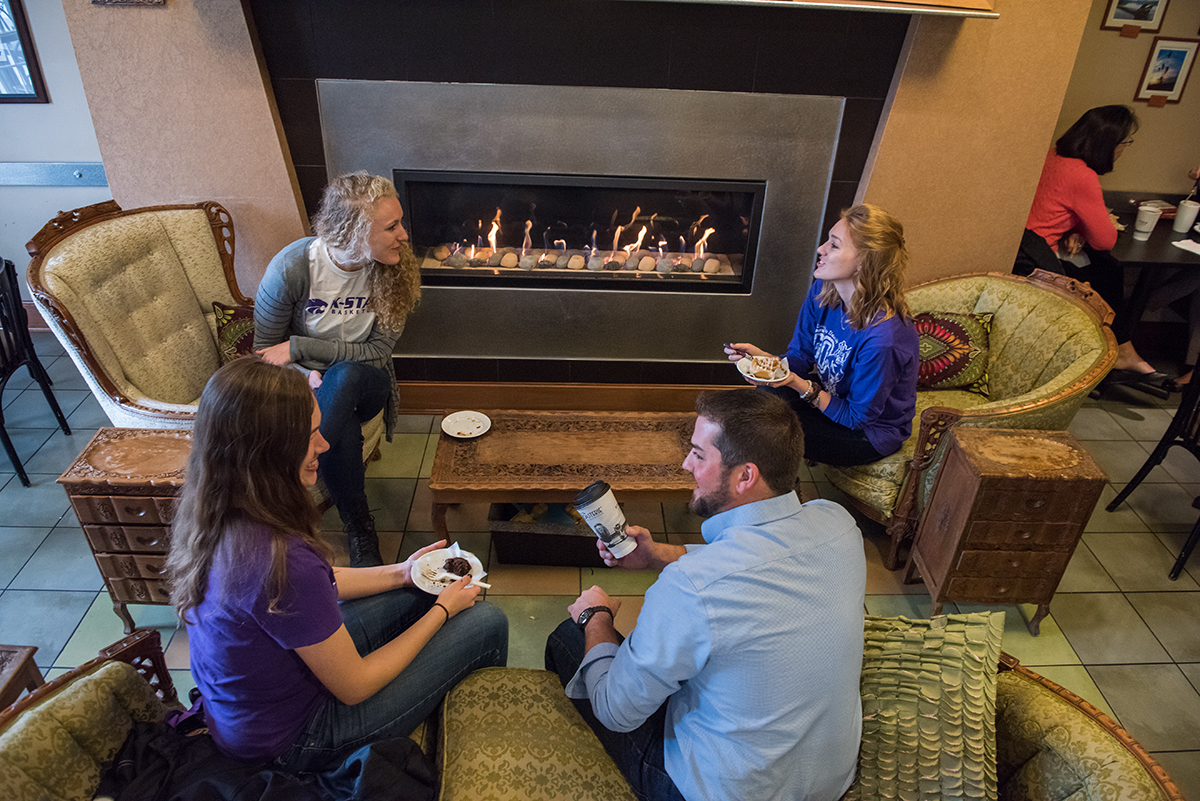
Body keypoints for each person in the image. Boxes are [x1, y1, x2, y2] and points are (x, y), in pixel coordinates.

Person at [166, 358, 508, 773]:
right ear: (270, 450)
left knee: (419, 589)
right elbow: (354, 686)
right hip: (294, 740)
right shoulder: (279, 559)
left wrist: (404, 571)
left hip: (249, 715)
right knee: (486, 622)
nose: (324, 445)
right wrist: (442, 611)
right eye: (312, 435)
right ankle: (472, 753)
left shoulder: (218, 507)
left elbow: (323, 584)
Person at [545, 389, 866, 801]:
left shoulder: (691, 587)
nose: (686, 464)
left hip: (719, 791)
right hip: (829, 783)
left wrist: (597, 617)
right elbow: (756, 558)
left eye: (698, 454)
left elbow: (616, 712)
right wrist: (660, 555)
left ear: (744, 476)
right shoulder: (837, 524)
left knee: (568, 639)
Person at [255, 171, 421, 567]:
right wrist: (301, 373)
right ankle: (360, 528)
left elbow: (378, 351)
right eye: (392, 226)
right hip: (308, 391)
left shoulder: (396, 268)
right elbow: (264, 353)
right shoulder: (293, 268)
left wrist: (301, 348)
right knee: (339, 419)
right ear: (354, 231)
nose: (404, 236)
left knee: (345, 376)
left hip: (367, 383)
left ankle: (285, 490)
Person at [725, 203, 918, 466]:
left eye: (834, 245)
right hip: (831, 398)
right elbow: (801, 357)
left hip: (867, 435)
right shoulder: (822, 292)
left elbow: (856, 418)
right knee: (764, 401)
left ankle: (779, 499)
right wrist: (767, 365)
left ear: (864, 261)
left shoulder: (884, 339)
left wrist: (796, 383)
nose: (821, 249)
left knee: (760, 431)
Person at [1018, 104, 1166, 383]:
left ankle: (1123, 351)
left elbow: (1052, 206)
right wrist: (1084, 231)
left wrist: (1076, 230)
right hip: (1036, 257)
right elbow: (1105, 239)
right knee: (1108, 269)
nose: (1124, 150)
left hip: (1022, 244)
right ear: (1109, 144)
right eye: (1125, 142)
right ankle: (1121, 353)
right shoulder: (1082, 175)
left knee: (1104, 269)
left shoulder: (1052, 156)